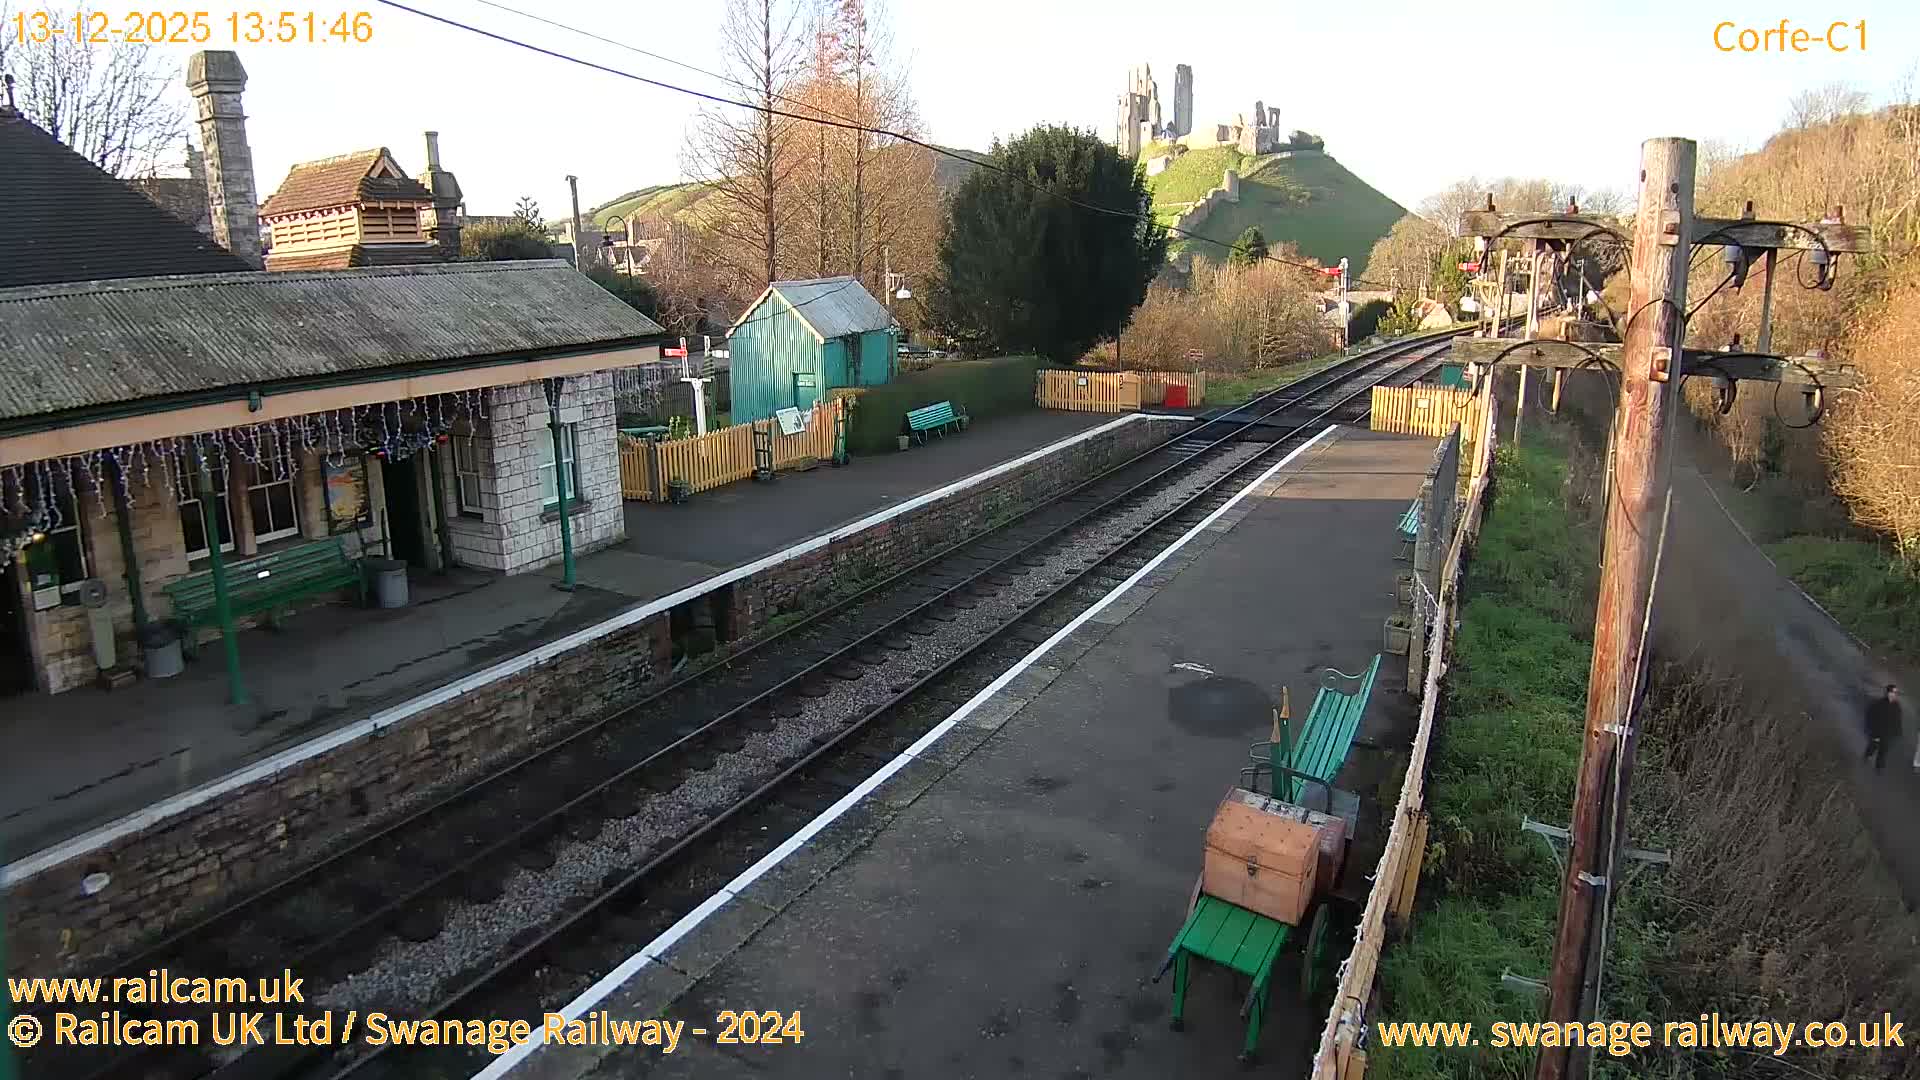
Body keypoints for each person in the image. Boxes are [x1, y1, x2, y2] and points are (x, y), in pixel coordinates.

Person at [1863, 684, 1901, 772]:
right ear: (1888, 693)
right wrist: (1871, 730)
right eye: (1893, 692)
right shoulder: (1879, 704)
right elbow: (1870, 716)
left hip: (1888, 733)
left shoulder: (1897, 706)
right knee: (1873, 747)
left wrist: (1898, 731)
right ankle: (1867, 755)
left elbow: (1897, 720)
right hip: (1877, 732)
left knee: (1883, 751)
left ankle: (1879, 767)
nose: (1895, 694)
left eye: (1896, 693)